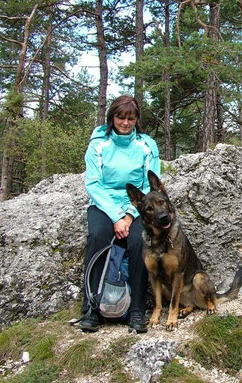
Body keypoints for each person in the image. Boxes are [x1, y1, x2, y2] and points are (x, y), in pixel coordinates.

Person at [79, 95, 160, 333]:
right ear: (112, 117)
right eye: (120, 117)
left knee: (139, 241)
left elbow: (149, 183)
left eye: (131, 118)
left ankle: (136, 310)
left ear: (137, 119)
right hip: (103, 204)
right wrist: (115, 216)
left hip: (137, 206)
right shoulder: (98, 144)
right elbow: (93, 184)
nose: (125, 123)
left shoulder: (147, 145)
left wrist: (128, 215)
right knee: (97, 236)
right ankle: (91, 307)